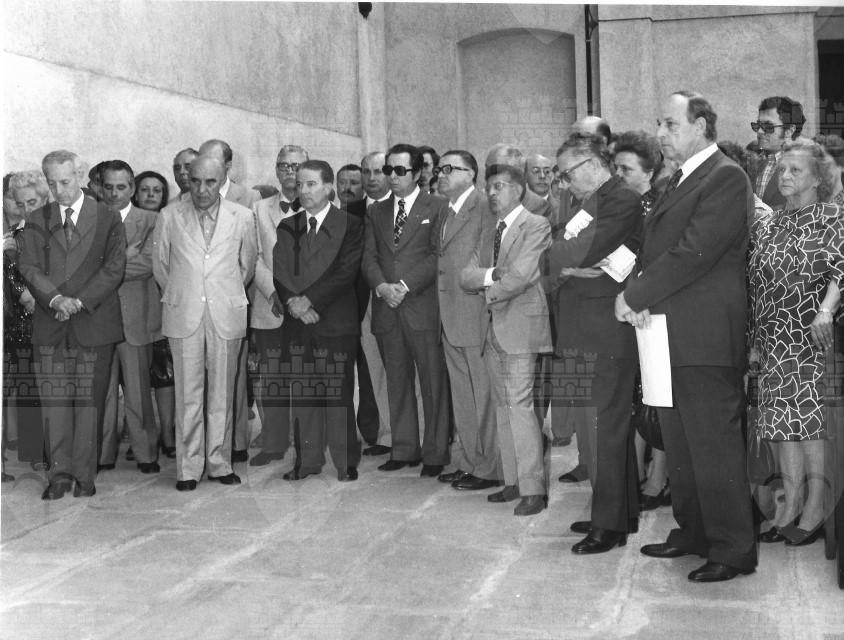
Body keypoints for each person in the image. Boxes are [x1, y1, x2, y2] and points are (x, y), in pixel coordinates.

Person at [616, 91, 757, 582]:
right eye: (660, 123)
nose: (661, 133)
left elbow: (694, 252)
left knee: (713, 446)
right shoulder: (679, 178)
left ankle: (732, 549)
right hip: (669, 331)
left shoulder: (725, 176)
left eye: (671, 124)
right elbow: (655, 250)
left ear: (700, 125)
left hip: (704, 335)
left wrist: (634, 295)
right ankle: (695, 531)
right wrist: (638, 292)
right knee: (681, 444)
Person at [549, 133, 643, 550]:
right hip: (582, 325)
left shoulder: (620, 199)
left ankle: (610, 524)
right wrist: (565, 258)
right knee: (596, 429)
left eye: (567, 173)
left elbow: (574, 252)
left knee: (606, 427)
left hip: (604, 328)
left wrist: (566, 258)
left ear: (591, 164)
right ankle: (617, 513)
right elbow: (560, 252)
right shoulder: (588, 201)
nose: (565, 182)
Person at [749, 138, 842, 547]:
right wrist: (754, 339)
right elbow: (755, 283)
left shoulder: (833, 218)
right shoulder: (770, 224)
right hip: (774, 337)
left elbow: (842, 269)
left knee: (809, 425)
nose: (784, 176)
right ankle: (791, 505)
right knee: (781, 425)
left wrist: (827, 309)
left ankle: (816, 507)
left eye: (795, 170)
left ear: (817, 178)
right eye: (782, 169)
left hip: (811, 336)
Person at [18, 149, 126, 499]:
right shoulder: (36, 218)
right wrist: (55, 299)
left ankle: (84, 476)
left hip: (93, 321)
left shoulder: (108, 217)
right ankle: (59, 476)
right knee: (54, 404)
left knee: (89, 403)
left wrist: (79, 301)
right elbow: (28, 266)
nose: (59, 190)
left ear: (80, 175)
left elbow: (114, 268)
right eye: (52, 184)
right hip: (51, 322)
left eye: (65, 182)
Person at [153, 154, 258, 491]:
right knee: (187, 393)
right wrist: (188, 292)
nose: (201, 189)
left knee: (222, 393)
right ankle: (188, 468)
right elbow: (161, 267)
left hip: (225, 313)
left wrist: (220, 293)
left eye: (210, 182)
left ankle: (219, 462)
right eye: (195, 181)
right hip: (184, 313)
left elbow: (246, 266)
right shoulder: (170, 215)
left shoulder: (242, 216)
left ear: (223, 178)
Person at [460, 163, 552, 516]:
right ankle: (512, 481)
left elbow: (524, 274)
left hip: (520, 328)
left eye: (499, 186)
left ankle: (533, 489)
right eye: (489, 187)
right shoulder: (489, 231)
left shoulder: (536, 225)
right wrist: (494, 274)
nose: (492, 193)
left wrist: (489, 288)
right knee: (504, 407)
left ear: (518, 189)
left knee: (520, 406)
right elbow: (465, 276)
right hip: (492, 329)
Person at [361, 143, 450, 477]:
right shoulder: (376, 212)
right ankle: (404, 448)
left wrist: (404, 286)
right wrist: (382, 287)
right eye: (389, 170)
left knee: (432, 383)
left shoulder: (438, 207)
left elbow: (437, 254)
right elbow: (368, 257)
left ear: (417, 173)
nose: (393, 177)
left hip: (421, 306)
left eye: (400, 171)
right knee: (397, 382)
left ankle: (436, 453)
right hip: (387, 307)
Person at [271, 160, 364, 480]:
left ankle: (345, 462)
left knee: (338, 395)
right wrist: (292, 303)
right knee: (303, 395)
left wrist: (308, 300)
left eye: (311, 184)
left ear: (328, 187)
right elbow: (280, 270)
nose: (304, 190)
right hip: (297, 323)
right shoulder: (288, 226)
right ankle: (307, 461)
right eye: (300, 185)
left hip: (335, 322)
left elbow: (345, 271)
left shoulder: (350, 224)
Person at [612, 130, 672, 511]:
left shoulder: (658, 205)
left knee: (656, 396)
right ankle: (634, 474)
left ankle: (658, 479)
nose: (619, 175)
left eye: (627, 169)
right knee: (635, 397)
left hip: (651, 310)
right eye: (616, 168)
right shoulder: (621, 205)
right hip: (623, 310)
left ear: (649, 172)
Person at [435, 150, 502, 490]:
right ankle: (468, 460)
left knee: (484, 396)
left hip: (474, 312)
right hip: (449, 315)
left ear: (471, 173)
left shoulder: (484, 206)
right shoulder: (446, 209)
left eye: (450, 168)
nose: (441, 174)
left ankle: (489, 468)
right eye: (439, 169)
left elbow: (485, 258)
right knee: (463, 395)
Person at [198, 138, 261, 462]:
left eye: (214, 162)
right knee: (199, 382)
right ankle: (202, 446)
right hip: (195, 308)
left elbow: (249, 261)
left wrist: (227, 290)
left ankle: (234, 443)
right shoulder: (186, 200)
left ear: (227, 167)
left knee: (231, 379)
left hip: (231, 304)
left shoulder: (249, 199)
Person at [98, 161, 161, 474]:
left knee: (138, 391)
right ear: (101, 188)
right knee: (103, 392)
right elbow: (78, 267)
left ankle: (146, 453)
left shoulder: (152, 220)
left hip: (135, 319)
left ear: (132, 188)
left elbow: (147, 264)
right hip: (97, 319)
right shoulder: (90, 219)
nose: (114, 193)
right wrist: (124, 257)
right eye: (108, 187)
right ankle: (103, 455)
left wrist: (103, 268)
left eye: (121, 187)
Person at [4, 171, 49, 469]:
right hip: (24, 319)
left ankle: (57, 449)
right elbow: (10, 270)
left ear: (45, 199)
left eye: (32, 202)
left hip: (53, 313)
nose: (26, 209)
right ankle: (35, 453)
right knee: (28, 385)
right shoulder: (13, 235)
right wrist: (24, 294)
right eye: (20, 203)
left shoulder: (59, 230)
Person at [131, 170, 176, 459]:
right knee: (135, 380)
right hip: (133, 310)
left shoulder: (169, 221)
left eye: (156, 190)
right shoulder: (125, 222)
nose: (150, 195)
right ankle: (138, 434)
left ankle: (168, 432)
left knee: (164, 374)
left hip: (163, 309)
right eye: (145, 189)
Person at [752, 96, 806, 210]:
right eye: (757, 125)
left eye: (768, 126)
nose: (760, 131)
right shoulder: (752, 159)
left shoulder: (805, 166)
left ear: (789, 131)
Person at [276, 145, 309, 214]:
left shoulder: (323, 207)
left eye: (296, 166)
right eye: (284, 166)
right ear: (277, 171)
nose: (290, 171)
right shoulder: (258, 208)